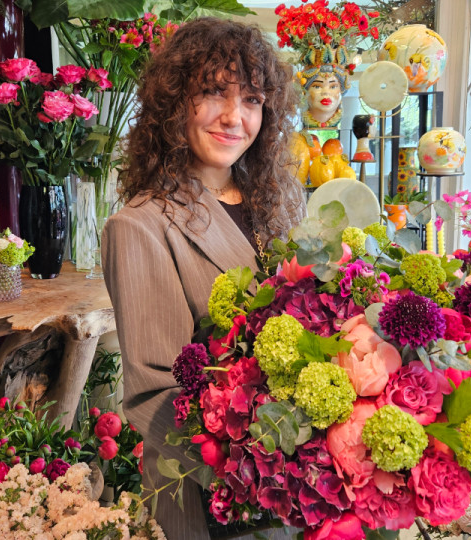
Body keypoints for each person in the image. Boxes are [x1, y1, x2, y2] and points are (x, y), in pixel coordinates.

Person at [101, 18, 305, 540]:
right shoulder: (140, 227)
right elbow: (157, 395)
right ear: (174, 102)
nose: (234, 117)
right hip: (215, 496)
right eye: (214, 92)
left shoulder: (282, 205)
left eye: (252, 99)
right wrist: (267, 468)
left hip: (297, 487)